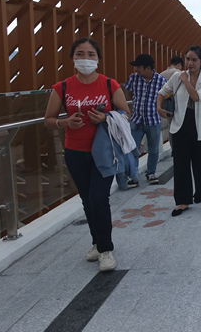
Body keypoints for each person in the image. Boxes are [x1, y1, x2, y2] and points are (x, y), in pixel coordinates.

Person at [44, 37, 131, 272]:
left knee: (98, 199)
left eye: (91, 54)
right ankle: (97, 242)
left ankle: (105, 249)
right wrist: (65, 123)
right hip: (75, 152)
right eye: (80, 54)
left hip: (104, 152)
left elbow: (126, 114)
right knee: (87, 200)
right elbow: (49, 120)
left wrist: (106, 117)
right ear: (73, 59)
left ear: (98, 59)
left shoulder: (109, 85)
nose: (85, 59)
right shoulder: (62, 87)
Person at [157, 46, 201, 216]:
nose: (190, 63)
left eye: (194, 59)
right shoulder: (176, 77)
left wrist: (186, 80)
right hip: (179, 124)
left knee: (200, 163)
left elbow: (196, 97)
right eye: (188, 59)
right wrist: (159, 107)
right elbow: (163, 91)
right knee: (181, 164)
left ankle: (200, 190)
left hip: (198, 125)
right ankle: (182, 200)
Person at [124, 54, 167, 185]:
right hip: (136, 119)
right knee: (133, 148)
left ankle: (151, 173)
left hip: (153, 120)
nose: (136, 69)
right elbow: (129, 92)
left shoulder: (161, 80)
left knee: (153, 149)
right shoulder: (133, 78)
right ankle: (133, 175)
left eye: (138, 67)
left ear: (148, 68)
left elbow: (166, 96)